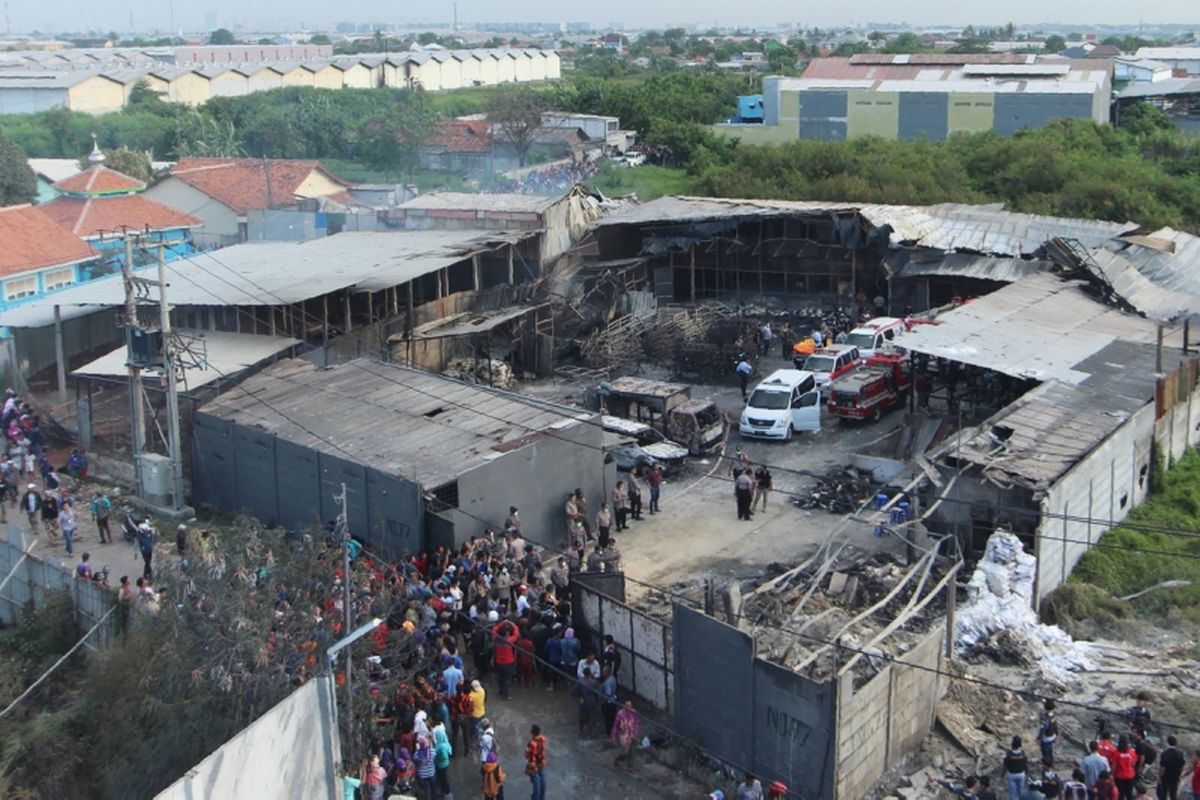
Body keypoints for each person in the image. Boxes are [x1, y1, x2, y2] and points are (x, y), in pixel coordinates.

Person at [612, 700, 640, 767]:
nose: (628, 707)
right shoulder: (620, 714)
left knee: (633, 751)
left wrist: (635, 733)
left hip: (632, 734)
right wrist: (614, 736)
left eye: (629, 706)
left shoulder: (634, 713)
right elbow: (616, 726)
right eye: (627, 706)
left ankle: (630, 767)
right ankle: (618, 759)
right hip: (624, 734)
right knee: (626, 751)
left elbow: (636, 724)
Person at [1158, 735, 1185, 800]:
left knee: (1163, 793)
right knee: (1173, 793)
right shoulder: (1180, 754)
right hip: (1175, 777)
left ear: (1168, 743)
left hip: (1166, 776)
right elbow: (1182, 766)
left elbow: (1162, 768)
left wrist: (1159, 776)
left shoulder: (1164, 753)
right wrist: (1179, 775)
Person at [524, 724, 547, 800]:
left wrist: (526, 749)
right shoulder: (543, 740)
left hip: (534, 766)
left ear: (532, 733)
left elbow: (526, 755)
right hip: (541, 763)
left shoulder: (531, 743)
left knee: (536, 786)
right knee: (542, 782)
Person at [1003, 736, 1028, 800]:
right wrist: (1027, 773)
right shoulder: (1022, 753)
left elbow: (1005, 765)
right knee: (1021, 793)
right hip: (1021, 774)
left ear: (1012, 744)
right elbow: (1025, 764)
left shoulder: (1009, 754)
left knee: (1012, 793)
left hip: (1012, 775)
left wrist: (1002, 774)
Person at [1113, 735, 1138, 800]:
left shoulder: (1116, 753)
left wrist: (1112, 775)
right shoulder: (1131, 752)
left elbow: (1114, 766)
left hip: (1119, 776)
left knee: (1120, 795)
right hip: (1130, 776)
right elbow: (1134, 763)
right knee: (1129, 794)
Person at [432, 723, 453, 799]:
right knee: (443, 778)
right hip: (444, 764)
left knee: (444, 779)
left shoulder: (441, 747)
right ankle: (444, 791)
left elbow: (444, 756)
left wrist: (437, 757)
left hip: (441, 765)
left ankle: (448, 794)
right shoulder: (444, 743)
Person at [1038, 698, 1058, 765]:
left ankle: (1047, 766)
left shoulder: (1045, 718)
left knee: (1045, 753)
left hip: (1046, 738)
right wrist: (1057, 734)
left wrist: (1039, 738)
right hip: (1052, 736)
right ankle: (1051, 762)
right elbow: (1055, 725)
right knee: (1050, 751)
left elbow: (1043, 729)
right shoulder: (1054, 715)